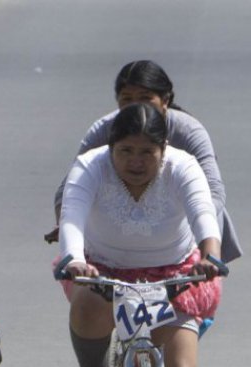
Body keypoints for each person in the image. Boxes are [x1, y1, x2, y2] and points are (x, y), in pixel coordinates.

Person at [59, 103, 224, 367]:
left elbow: (205, 216)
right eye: (126, 151)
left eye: (146, 152)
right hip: (105, 271)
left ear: (163, 151)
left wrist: (210, 255)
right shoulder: (90, 167)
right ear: (111, 148)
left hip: (173, 276)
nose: (135, 162)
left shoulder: (183, 168)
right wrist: (75, 259)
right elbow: (72, 217)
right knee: (87, 306)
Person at [50, 60, 241, 263]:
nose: (136, 107)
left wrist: (199, 242)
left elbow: (213, 192)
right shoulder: (104, 130)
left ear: (165, 101)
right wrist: (67, 228)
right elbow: (70, 189)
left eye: (145, 99)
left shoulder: (188, 133)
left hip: (183, 231)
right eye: (127, 100)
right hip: (113, 240)